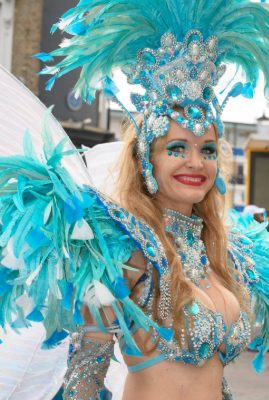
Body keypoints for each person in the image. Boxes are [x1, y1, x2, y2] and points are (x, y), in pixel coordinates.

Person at [1, 1, 269, 400]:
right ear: (147, 158)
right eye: (178, 147)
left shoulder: (225, 254)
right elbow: (86, 375)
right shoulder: (123, 251)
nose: (196, 162)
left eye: (208, 150)